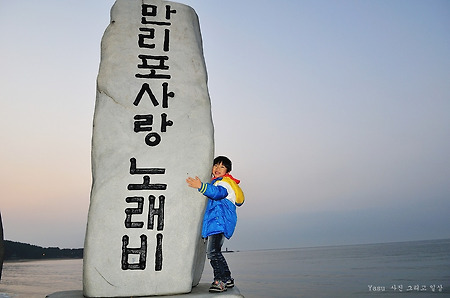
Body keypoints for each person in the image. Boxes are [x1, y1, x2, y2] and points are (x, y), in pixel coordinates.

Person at [186, 156, 244, 293]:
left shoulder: (224, 183)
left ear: (227, 171)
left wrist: (200, 186)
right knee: (215, 252)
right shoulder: (218, 181)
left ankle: (221, 280)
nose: (218, 169)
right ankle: (228, 278)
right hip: (218, 222)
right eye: (216, 165)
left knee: (212, 252)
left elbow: (218, 194)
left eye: (222, 167)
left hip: (219, 222)